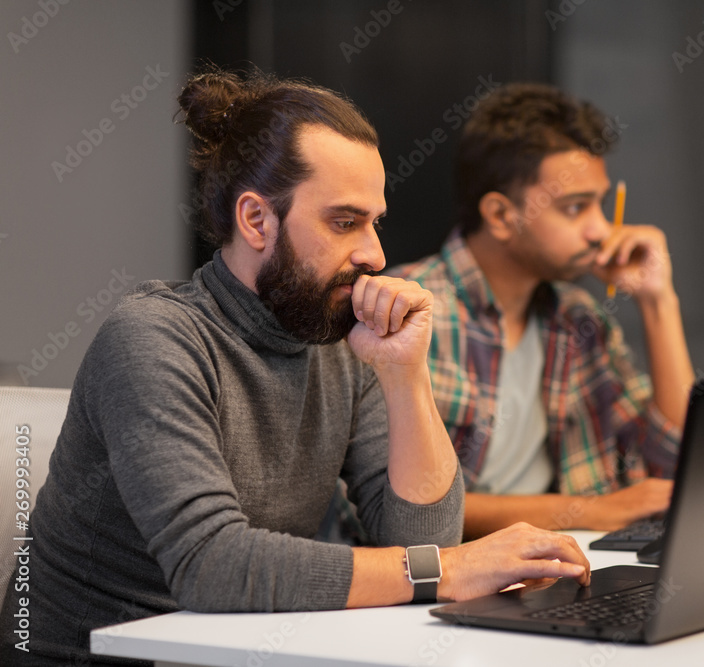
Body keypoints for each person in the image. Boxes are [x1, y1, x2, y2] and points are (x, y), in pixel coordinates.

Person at [0, 69, 590, 666]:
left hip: (234, 648)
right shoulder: (153, 338)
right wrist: (451, 567)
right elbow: (212, 567)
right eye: (344, 222)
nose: (375, 254)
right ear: (257, 220)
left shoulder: (336, 336)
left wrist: (405, 375)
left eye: (374, 221)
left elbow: (422, 542)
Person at [390, 83, 695, 540]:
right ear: (500, 215)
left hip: (568, 563)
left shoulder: (579, 318)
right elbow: (397, 510)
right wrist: (587, 510)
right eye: (575, 208)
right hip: (454, 580)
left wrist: (658, 301)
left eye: (601, 203)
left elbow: (673, 463)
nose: (600, 229)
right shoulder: (405, 312)